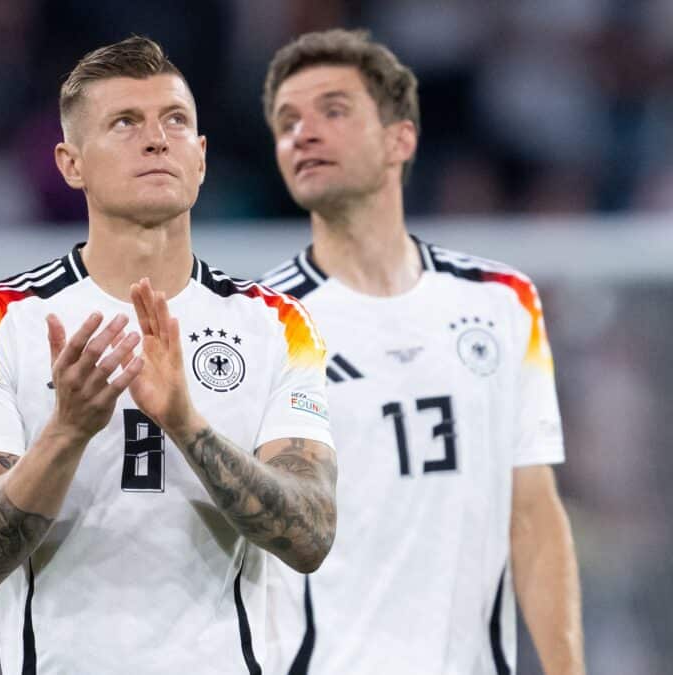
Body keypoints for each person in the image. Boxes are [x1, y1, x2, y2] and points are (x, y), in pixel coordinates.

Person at [0, 36, 337, 674]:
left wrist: (186, 423)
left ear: (201, 159)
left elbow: (311, 535)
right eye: (125, 122)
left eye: (175, 121)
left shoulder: (276, 323)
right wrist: (66, 430)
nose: (157, 139)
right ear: (71, 164)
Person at [257, 29, 585, 675]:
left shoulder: (503, 301)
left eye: (334, 109)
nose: (304, 132)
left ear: (400, 138)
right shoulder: (259, 322)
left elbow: (534, 514)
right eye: (287, 120)